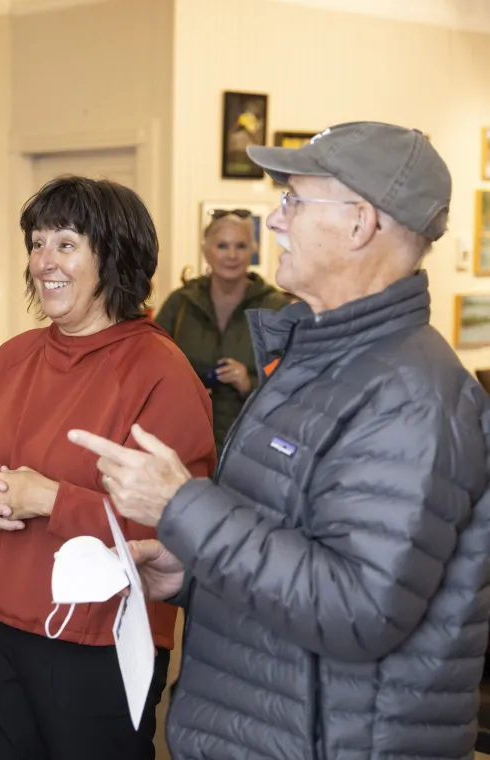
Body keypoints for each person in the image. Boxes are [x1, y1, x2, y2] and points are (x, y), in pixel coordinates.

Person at [69, 122, 490, 759]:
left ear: (359, 223)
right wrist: (193, 570)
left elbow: (358, 608)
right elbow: (288, 548)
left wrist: (184, 509)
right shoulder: (312, 361)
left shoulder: (414, 397)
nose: (275, 221)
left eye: (294, 199)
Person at [0, 175, 217, 760]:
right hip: (4, 626)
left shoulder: (160, 373)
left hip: (98, 640)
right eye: (37, 243)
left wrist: (49, 499)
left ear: (114, 257)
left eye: (65, 243)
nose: (43, 261)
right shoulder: (14, 355)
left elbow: (177, 529)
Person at [154, 209, 291, 452]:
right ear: (206, 250)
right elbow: (151, 367)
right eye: (222, 246)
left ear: (253, 250)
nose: (232, 255)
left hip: (251, 446)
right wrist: (189, 384)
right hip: (185, 442)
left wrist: (248, 383)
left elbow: (291, 380)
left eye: (240, 246)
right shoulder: (181, 304)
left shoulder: (274, 308)